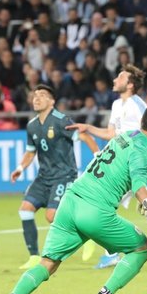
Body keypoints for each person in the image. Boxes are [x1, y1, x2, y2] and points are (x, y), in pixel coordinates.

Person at [0, 103, 147, 294]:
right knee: (142, 249)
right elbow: (138, 185)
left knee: (48, 263)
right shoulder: (142, 152)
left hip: (70, 202)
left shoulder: (125, 135)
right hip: (95, 212)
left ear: (142, 121)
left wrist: (145, 201)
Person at [10, 84, 98, 270]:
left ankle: (87, 235)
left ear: (52, 101)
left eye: (42, 95)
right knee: (25, 209)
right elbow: (30, 152)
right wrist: (20, 168)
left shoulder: (60, 120)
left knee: (51, 216)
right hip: (43, 177)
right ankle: (34, 256)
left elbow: (83, 136)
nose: (37, 98)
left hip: (64, 175)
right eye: (35, 95)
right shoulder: (32, 126)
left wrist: (98, 156)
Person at [71, 64, 147, 268]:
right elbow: (110, 134)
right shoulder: (116, 105)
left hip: (130, 163)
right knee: (104, 204)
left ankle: (114, 250)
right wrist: (88, 127)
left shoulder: (137, 105)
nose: (115, 80)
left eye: (120, 77)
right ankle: (112, 249)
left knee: (103, 204)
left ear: (130, 84)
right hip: (116, 161)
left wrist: (139, 162)